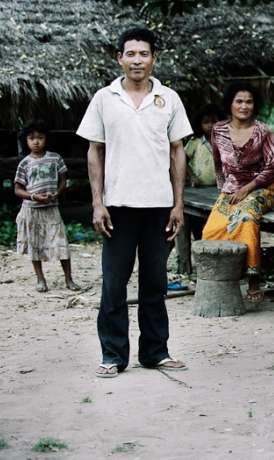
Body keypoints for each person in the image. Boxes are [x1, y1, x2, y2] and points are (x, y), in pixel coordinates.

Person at [77, 26, 192, 378]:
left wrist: (178, 204)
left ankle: (155, 352)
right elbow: (94, 151)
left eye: (144, 54)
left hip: (159, 207)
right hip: (118, 208)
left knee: (155, 283)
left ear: (154, 58)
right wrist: (98, 203)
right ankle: (112, 355)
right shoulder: (104, 98)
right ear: (120, 58)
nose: (137, 60)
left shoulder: (169, 99)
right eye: (131, 54)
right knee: (114, 284)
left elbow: (178, 152)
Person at [201, 81, 274, 302]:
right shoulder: (218, 130)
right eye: (239, 101)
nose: (244, 106)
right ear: (230, 104)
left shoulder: (262, 131)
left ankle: (253, 281)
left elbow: (272, 168)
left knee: (246, 217)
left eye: (249, 101)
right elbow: (219, 165)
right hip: (231, 190)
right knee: (211, 232)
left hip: (261, 189)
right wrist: (224, 191)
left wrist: (247, 189)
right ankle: (225, 277)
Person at [13, 118, 79, 293]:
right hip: (31, 210)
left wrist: (58, 191)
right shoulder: (24, 163)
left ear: (47, 139)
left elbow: (63, 180)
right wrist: (34, 196)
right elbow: (18, 189)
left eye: (40, 137)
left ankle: (69, 279)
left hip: (51, 209)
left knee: (61, 243)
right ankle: (41, 280)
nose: (36, 142)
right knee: (35, 246)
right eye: (31, 138)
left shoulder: (55, 158)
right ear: (25, 140)